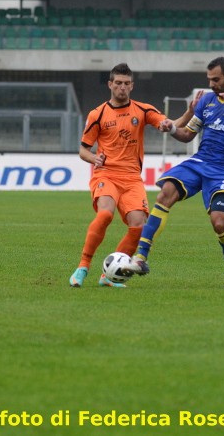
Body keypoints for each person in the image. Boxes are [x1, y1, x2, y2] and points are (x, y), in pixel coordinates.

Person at [128, 57, 224, 289]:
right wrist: (172, 127)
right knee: (166, 192)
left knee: (219, 223)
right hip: (199, 161)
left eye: (216, 79)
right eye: (209, 79)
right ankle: (141, 258)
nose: (212, 84)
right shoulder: (206, 101)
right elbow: (187, 135)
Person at [69, 63, 196, 288]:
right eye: (118, 83)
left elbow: (172, 125)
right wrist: (94, 158)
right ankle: (83, 266)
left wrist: (188, 113)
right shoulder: (97, 114)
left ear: (132, 86)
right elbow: (83, 150)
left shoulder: (143, 110)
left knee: (139, 226)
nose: (122, 87)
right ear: (110, 84)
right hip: (106, 174)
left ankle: (108, 276)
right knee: (105, 215)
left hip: (132, 179)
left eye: (127, 84)